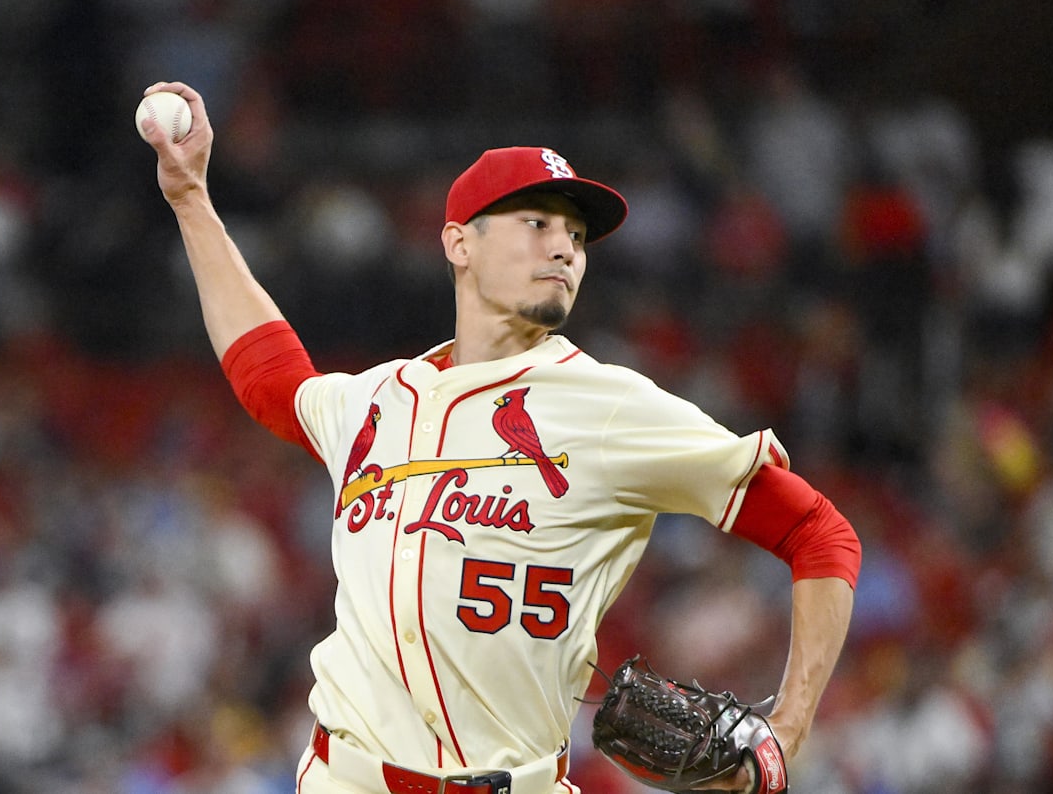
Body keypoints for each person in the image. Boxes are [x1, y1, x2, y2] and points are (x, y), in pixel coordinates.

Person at [138, 81, 861, 794]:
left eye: (576, 236)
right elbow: (271, 379)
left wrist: (787, 732)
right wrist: (191, 198)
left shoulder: (611, 407)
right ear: (459, 242)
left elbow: (819, 534)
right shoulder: (377, 399)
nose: (564, 249)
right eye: (536, 223)